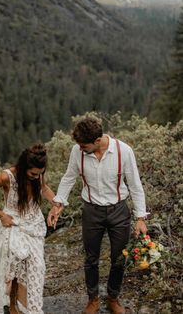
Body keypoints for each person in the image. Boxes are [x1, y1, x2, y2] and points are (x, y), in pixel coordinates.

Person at [48, 117, 148, 314]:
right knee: (91, 258)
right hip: (91, 211)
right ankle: (93, 299)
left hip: (119, 210)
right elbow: (69, 177)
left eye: (84, 145)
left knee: (119, 258)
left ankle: (113, 297)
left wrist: (140, 218)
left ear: (98, 140)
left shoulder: (124, 151)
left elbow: (135, 185)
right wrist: (58, 203)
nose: (80, 148)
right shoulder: (78, 151)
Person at [0, 144, 56, 314]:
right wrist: (1, 215)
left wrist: (56, 205)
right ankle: (12, 305)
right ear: (24, 166)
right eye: (33, 173)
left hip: (33, 225)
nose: (36, 177)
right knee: (13, 264)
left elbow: (45, 189)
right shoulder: (7, 176)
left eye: (39, 174)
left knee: (37, 266)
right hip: (12, 223)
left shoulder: (37, 176)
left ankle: (29, 306)